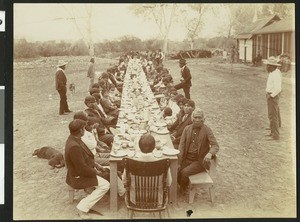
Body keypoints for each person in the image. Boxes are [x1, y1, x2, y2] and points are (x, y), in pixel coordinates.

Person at [64, 119, 110, 219]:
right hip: (77, 176)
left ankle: (120, 192)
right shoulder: (74, 146)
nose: (84, 130)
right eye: (84, 128)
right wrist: (96, 172)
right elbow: (82, 169)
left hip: (82, 171)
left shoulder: (74, 138)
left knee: (108, 170)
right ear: (81, 130)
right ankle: (82, 207)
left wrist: (97, 165)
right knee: (105, 185)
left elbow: (86, 157)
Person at [177, 108, 219, 194]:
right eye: (195, 117)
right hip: (186, 158)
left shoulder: (207, 130)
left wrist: (210, 153)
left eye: (199, 118)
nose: (197, 120)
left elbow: (215, 145)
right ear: (192, 119)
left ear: (203, 119)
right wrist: (179, 161)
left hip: (199, 161)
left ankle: (183, 190)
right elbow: (181, 146)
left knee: (184, 172)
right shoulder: (187, 129)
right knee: (176, 169)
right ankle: (183, 186)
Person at [122, 134, 172, 206]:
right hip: (157, 199)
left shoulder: (130, 162)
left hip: (135, 199)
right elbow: (168, 183)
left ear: (139, 147)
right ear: (154, 147)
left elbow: (124, 181)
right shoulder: (163, 163)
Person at [265, 56, 282, 140]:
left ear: (273, 66)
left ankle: (275, 135)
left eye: (269, 65)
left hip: (273, 96)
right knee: (271, 115)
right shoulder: (272, 73)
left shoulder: (276, 75)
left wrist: (271, 96)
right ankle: (272, 132)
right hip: (270, 95)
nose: (267, 67)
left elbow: (278, 89)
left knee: (273, 116)